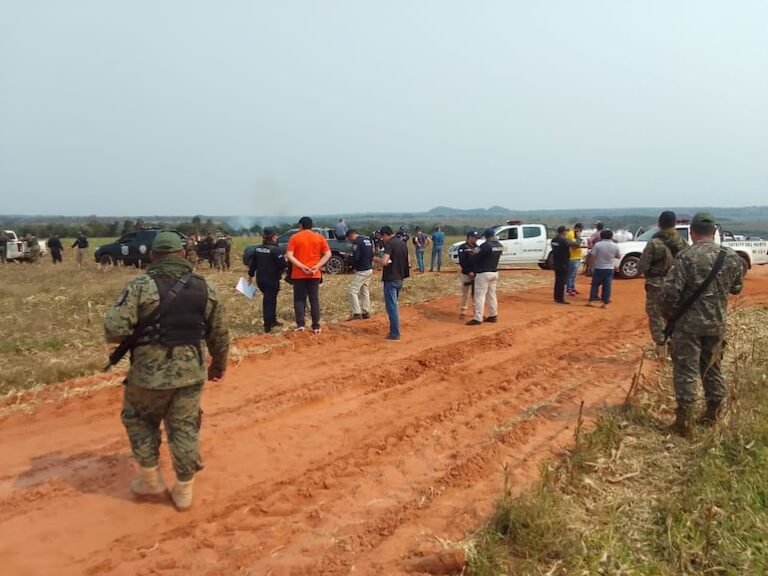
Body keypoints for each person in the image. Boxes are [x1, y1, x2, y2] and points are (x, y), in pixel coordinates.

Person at [104, 231, 229, 510]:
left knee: (138, 419)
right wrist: (218, 366)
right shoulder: (206, 287)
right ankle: (184, 489)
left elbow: (114, 330)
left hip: (148, 374)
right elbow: (219, 335)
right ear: (183, 255)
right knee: (184, 426)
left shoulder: (140, 286)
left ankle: (151, 480)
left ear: (152, 256)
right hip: (191, 373)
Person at [659, 212, 744, 436]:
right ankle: (713, 414)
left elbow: (669, 294)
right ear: (714, 231)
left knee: (686, 370)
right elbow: (736, 288)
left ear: (692, 232)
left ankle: (684, 423)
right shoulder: (732, 256)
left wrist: (668, 316)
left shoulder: (686, 256)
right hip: (717, 323)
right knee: (712, 367)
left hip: (688, 326)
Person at [637, 210, 688, 355]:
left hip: (656, 284)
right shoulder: (682, 242)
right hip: (677, 284)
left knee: (656, 315)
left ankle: (661, 347)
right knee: (674, 314)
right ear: (675, 223)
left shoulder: (654, 243)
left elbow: (642, 267)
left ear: (659, 224)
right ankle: (675, 345)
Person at [286, 216, 331, 333]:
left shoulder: (294, 238)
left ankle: (300, 324)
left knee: (299, 299)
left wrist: (301, 266)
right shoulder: (319, 237)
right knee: (314, 299)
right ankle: (316, 326)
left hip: (299, 273)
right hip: (314, 273)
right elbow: (328, 254)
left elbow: (289, 255)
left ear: (300, 225)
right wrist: (318, 265)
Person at [248, 228, 287, 333]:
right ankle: (267, 325)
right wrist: (286, 260)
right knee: (268, 301)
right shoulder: (276, 250)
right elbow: (282, 265)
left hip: (260, 279)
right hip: (271, 279)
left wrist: (250, 276)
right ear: (273, 237)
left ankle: (273, 320)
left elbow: (253, 265)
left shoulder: (258, 249)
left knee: (271, 299)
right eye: (276, 236)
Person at [374, 226, 410, 341]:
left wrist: (376, 259)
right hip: (400, 277)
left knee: (392, 307)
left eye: (382, 237)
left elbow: (384, 261)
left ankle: (395, 333)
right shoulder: (402, 243)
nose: (382, 239)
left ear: (385, 235)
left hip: (391, 278)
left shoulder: (389, 244)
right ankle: (395, 331)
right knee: (394, 305)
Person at [466, 228, 503, 325]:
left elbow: (475, 257)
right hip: (494, 272)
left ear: (485, 236)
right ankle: (493, 315)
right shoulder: (499, 245)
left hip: (483, 273)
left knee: (480, 296)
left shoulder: (485, 246)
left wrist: (473, 254)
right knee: (492, 295)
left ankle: (478, 318)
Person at [586, 229, 620, 308]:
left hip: (598, 267)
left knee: (595, 285)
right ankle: (605, 303)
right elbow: (618, 256)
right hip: (609, 268)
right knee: (607, 285)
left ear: (601, 236)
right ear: (611, 236)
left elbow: (593, 256)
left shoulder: (598, 245)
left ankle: (592, 301)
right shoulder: (615, 245)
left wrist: (590, 266)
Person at [346, 229, 374, 320]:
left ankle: (356, 313)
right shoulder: (367, 240)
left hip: (362, 270)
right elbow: (371, 254)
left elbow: (356, 257)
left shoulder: (357, 242)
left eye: (349, 239)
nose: (350, 241)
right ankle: (366, 311)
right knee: (364, 290)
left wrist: (350, 264)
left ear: (351, 235)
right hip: (369, 268)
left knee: (352, 290)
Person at [551, 226, 579, 304]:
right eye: (566, 231)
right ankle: (560, 298)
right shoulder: (563, 240)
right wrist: (577, 237)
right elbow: (576, 245)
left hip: (556, 262)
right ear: (563, 232)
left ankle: (556, 297)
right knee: (562, 281)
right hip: (563, 262)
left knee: (557, 280)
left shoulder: (554, 240)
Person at [457, 230, 479, 317]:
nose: (476, 240)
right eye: (474, 238)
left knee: (475, 294)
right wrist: (468, 271)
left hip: (476, 274)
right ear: (469, 237)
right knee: (465, 293)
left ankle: (476, 311)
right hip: (466, 273)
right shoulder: (463, 247)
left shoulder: (477, 247)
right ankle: (463, 310)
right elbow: (462, 261)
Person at [565, 223, 583, 296]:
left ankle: (572, 287)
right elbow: (575, 245)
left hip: (577, 257)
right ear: (577, 228)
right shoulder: (571, 234)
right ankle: (569, 289)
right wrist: (579, 238)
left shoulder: (575, 234)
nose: (581, 232)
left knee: (574, 275)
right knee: (570, 274)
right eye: (580, 230)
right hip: (572, 257)